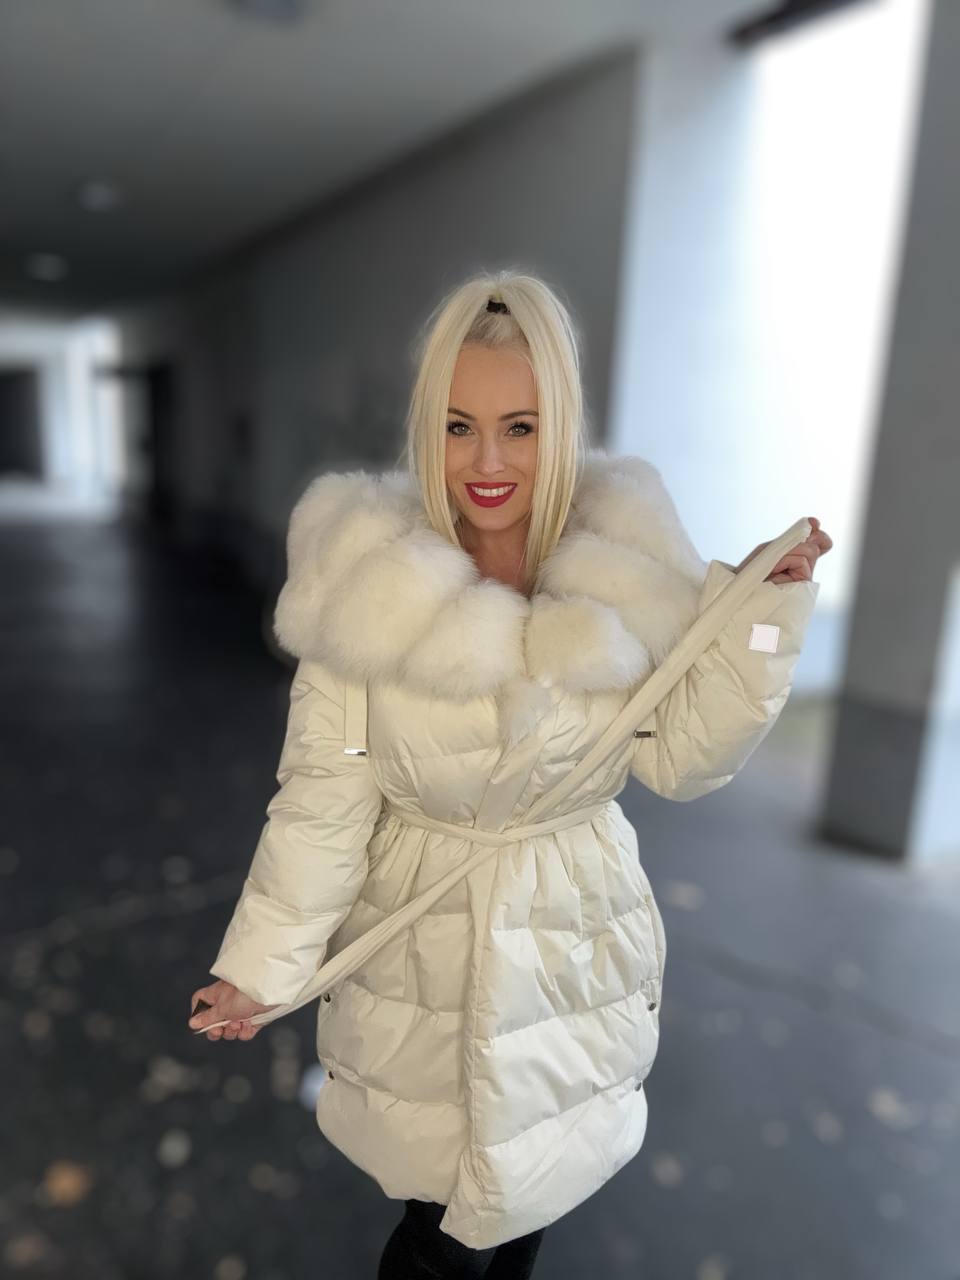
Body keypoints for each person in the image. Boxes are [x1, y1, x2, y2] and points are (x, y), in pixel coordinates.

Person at [187, 270, 831, 1276]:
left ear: (559, 425)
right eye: (459, 426)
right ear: (428, 428)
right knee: (434, 1227)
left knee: (534, 1189)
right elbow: (324, 795)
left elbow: (685, 759)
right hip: (420, 950)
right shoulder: (365, 575)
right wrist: (261, 965)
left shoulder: (628, 559)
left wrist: (760, 616)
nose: (486, 461)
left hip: (572, 937)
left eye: (519, 427)